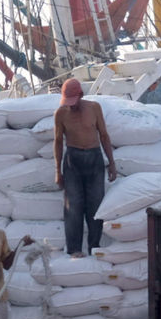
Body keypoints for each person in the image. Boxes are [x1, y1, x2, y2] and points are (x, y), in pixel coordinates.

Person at [54, 78, 117, 258]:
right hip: (73, 161)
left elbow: (104, 135)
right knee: (73, 207)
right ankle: (74, 249)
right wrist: (58, 170)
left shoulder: (94, 108)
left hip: (94, 159)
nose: (71, 106)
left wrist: (111, 163)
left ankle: (94, 247)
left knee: (95, 206)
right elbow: (58, 142)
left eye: (73, 102)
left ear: (80, 95)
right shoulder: (60, 114)